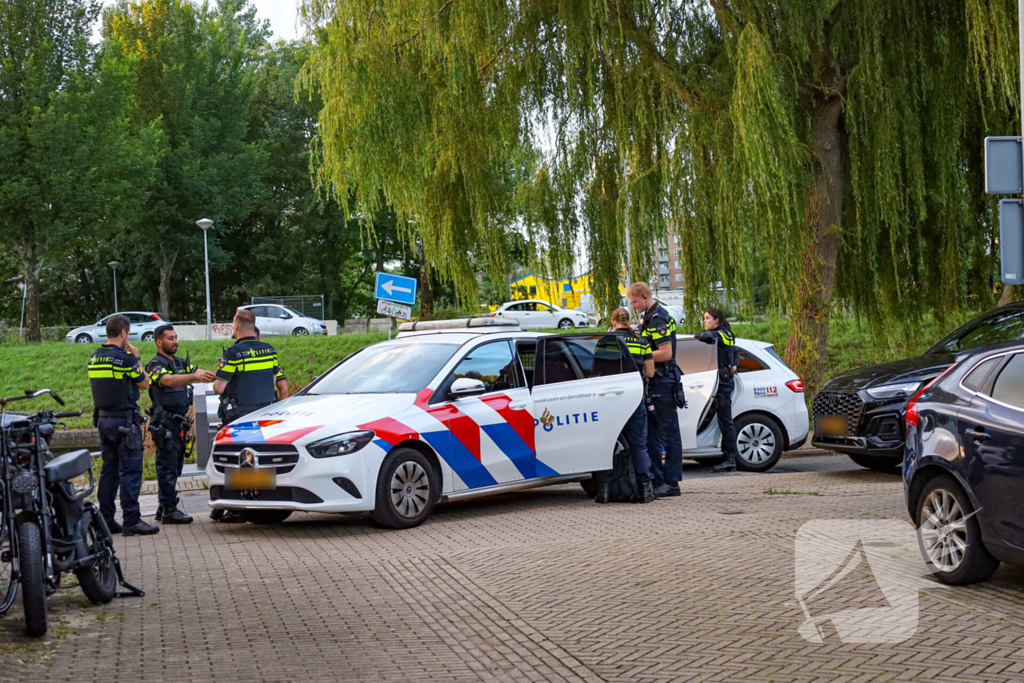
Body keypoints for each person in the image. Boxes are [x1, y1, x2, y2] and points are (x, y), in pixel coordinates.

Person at [211, 309, 289, 522]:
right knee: (262, 461)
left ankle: (239, 509)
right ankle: (261, 504)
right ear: (253, 327)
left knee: (241, 462)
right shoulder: (269, 350)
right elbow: (278, 383)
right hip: (266, 415)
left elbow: (219, 388)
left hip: (241, 416)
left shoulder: (233, 353)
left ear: (235, 328)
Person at [88, 314, 158, 536]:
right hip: (125, 422)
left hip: (103, 421)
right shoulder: (126, 358)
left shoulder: (94, 357)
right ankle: (132, 521)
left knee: (109, 472)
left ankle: (106, 521)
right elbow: (145, 384)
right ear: (124, 333)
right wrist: (136, 358)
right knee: (130, 472)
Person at [146, 325, 217, 524]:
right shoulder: (154, 364)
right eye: (170, 338)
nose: (175, 341)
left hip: (179, 423)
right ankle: (169, 509)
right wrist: (194, 377)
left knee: (175, 466)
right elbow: (166, 380)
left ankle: (163, 507)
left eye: (176, 337)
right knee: (167, 467)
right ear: (159, 342)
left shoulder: (179, 362)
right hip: (165, 422)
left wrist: (216, 373)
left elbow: (197, 371)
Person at [627, 282, 683, 498]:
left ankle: (671, 483)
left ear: (645, 297)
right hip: (656, 381)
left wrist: (642, 357)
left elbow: (666, 353)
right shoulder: (648, 316)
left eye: (635, 302)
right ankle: (658, 480)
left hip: (664, 381)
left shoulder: (658, 318)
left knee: (669, 435)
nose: (633, 306)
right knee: (652, 435)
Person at [595, 308, 656, 504]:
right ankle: (646, 490)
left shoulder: (605, 341)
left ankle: (604, 491)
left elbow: (596, 371)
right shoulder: (641, 341)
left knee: (607, 445)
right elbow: (651, 372)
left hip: (609, 399)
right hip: (633, 396)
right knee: (639, 445)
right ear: (628, 321)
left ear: (613, 322)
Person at [695, 308, 740, 473]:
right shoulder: (719, 335)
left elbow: (709, 336)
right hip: (717, 383)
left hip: (724, 384)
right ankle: (720, 454)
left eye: (707, 318)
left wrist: (701, 334)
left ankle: (730, 459)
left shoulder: (724, 334)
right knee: (716, 420)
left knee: (725, 422)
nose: (705, 321)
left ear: (717, 320)